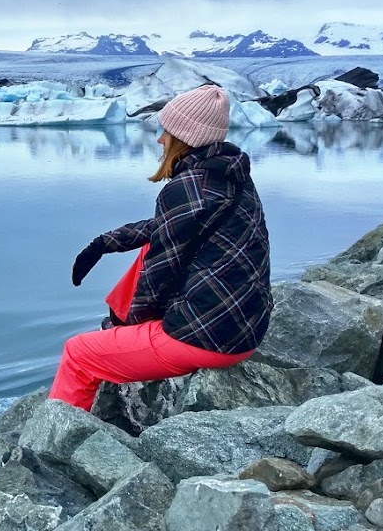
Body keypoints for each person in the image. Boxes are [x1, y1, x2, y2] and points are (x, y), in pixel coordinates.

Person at [51, 83, 272, 411]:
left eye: (166, 130)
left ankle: (51, 446)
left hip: (206, 338)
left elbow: (157, 275)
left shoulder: (187, 187)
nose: (160, 139)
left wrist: (128, 328)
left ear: (185, 137)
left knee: (77, 353)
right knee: (147, 249)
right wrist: (105, 243)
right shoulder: (229, 176)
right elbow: (167, 229)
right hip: (244, 326)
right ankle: (120, 326)